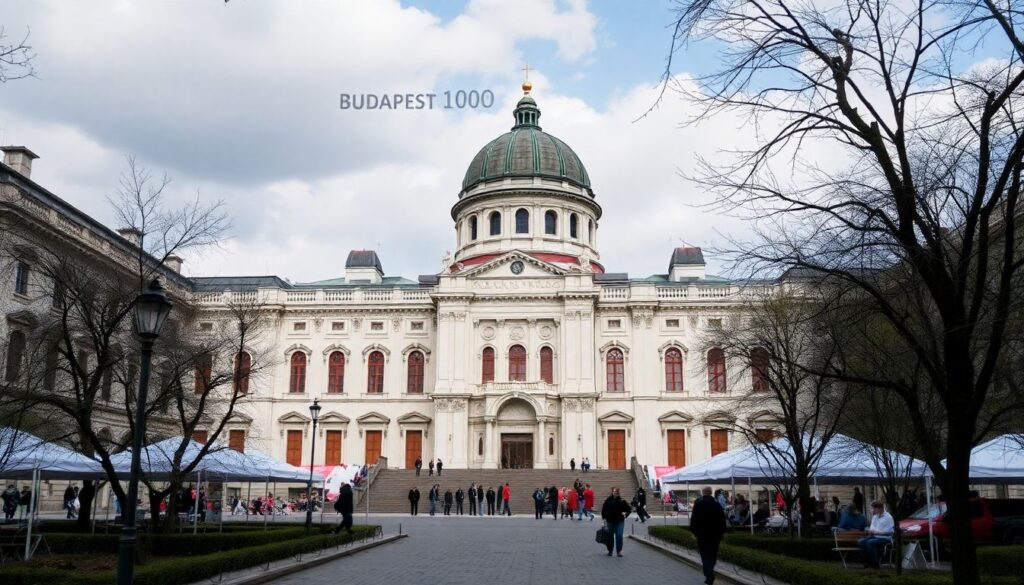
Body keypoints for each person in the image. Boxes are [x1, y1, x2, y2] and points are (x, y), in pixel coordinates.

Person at [691, 487, 726, 585]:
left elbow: (694, 519)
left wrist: (694, 531)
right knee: (713, 554)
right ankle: (709, 571)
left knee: (704, 554)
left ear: (703, 493)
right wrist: (722, 532)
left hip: (702, 534)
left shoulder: (699, 504)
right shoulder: (717, 504)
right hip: (715, 535)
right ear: (711, 493)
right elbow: (722, 520)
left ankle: (709, 573)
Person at [857, 501, 894, 568]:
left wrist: (877, 532)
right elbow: (872, 527)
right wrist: (870, 531)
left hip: (885, 538)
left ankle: (875, 564)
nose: (872, 510)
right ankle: (867, 562)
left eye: (873, 508)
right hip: (875, 536)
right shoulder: (875, 517)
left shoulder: (888, 517)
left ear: (879, 508)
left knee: (870, 542)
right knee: (861, 541)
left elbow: (889, 532)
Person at [600, 487, 631, 557]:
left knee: (619, 536)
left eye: (617, 492)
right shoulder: (608, 500)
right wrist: (604, 518)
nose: (615, 493)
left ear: (619, 493)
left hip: (619, 521)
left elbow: (629, 509)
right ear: (612, 492)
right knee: (610, 536)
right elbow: (604, 509)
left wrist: (626, 514)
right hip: (610, 521)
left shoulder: (622, 500)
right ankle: (610, 550)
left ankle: (619, 551)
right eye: (614, 491)